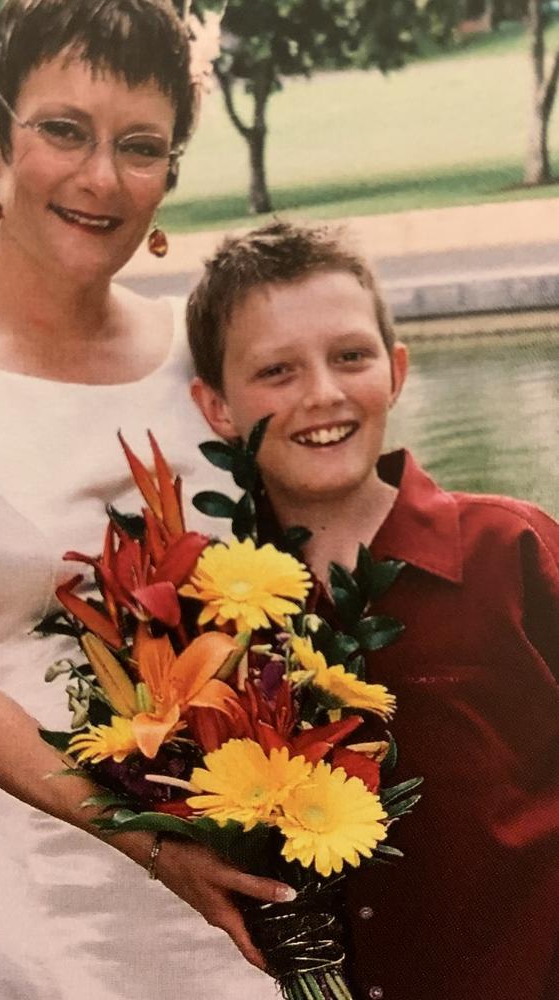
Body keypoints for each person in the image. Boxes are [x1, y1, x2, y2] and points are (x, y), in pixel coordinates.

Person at [0, 3, 292, 998]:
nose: (100, 179)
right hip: (31, 889)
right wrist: (150, 844)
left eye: (139, 147)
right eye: (63, 131)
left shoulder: (200, 345)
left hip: (238, 865)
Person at [186, 220, 559, 1000]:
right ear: (216, 407)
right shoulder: (209, 619)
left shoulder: (512, 550)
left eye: (350, 357)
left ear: (395, 370)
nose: (322, 393)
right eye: (277, 371)